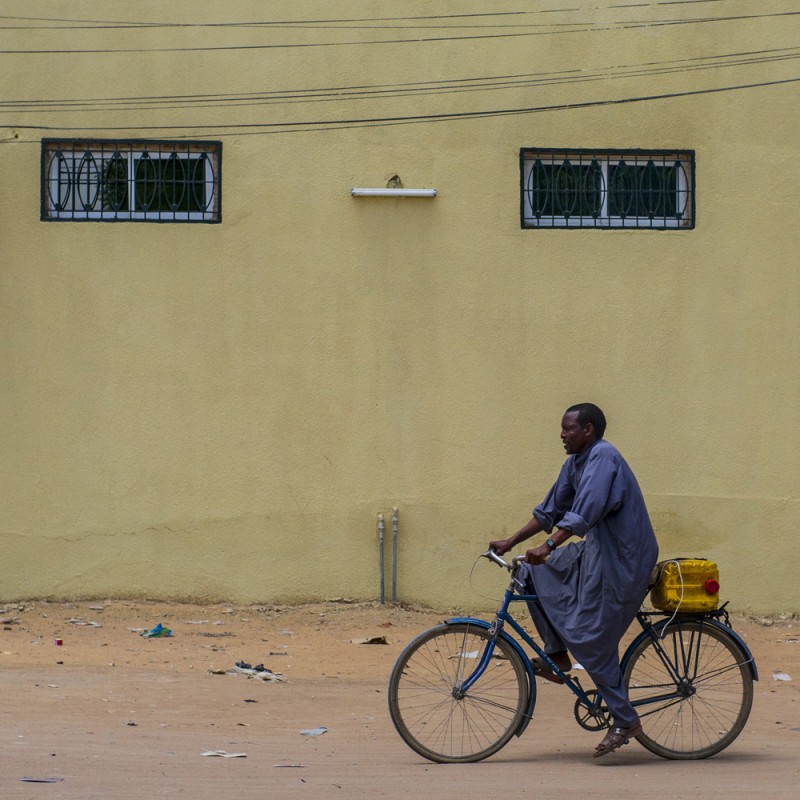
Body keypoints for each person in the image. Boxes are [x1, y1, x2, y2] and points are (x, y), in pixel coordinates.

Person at [489, 403, 658, 758]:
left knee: (590, 637)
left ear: (589, 430)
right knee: (529, 570)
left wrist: (549, 545)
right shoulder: (575, 463)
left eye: (568, 429)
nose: (562, 434)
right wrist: (513, 542)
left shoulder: (603, 459)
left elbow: (584, 512)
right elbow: (549, 511)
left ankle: (626, 720)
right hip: (597, 552)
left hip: (624, 560)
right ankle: (557, 655)